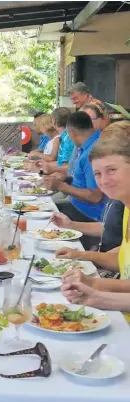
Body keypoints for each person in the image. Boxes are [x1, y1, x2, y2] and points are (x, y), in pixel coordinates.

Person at [61, 121, 130, 318]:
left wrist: (97, 295)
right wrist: (90, 282)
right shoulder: (126, 208)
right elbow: (123, 258)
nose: (104, 181)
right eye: (98, 174)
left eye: (112, 170)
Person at [42, 111, 107, 230]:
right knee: (42, 207)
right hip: (76, 204)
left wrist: (61, 186)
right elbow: (82, 178)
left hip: (87, 214)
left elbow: (96, 196)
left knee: (42, 215)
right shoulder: (88, 144)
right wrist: (64, 178)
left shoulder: (93, 151)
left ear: (72, 133)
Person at [52, 199, 124, 275]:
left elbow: (123, 255)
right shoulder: (116, 198)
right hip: (104, 258)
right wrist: (70, 225)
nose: (101, 186)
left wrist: (85, 256)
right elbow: (108, 228)